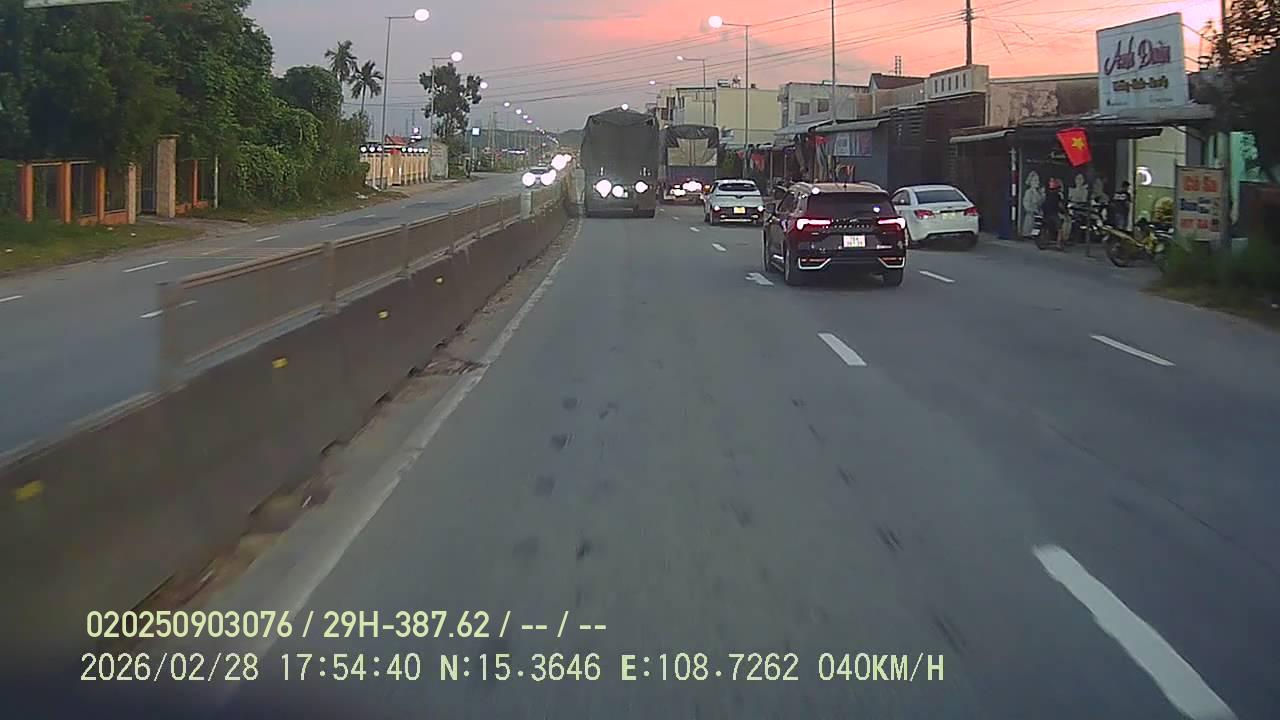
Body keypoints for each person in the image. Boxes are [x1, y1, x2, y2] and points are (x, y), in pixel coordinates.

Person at [1042, 177, 1066, 250]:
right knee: (1060, 228)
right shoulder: (1058, 195)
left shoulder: (1047, 194)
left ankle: (1046, 240)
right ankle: (1058, 244)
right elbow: (1060, 205)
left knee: (1047, 227)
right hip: (1054, 214)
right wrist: (1064, 211)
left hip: (1046, 214)